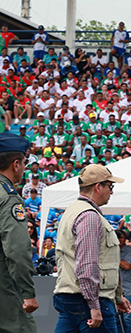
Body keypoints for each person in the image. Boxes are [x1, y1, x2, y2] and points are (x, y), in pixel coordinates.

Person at [53, 164, 131, 333]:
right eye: (110, 186)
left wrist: (117, 296)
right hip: (90, 300)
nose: (111, 191)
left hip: (72, 295)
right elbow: (87, 264)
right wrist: (94, 305)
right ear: (98, 187)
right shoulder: (89, 216)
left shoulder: (72, 211)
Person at [0, 133, 39, 333]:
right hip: (5, 290)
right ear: (16, 164)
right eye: (24, 162)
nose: (24, 168)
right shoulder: (9, 198)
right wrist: (28, 293)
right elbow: (17, 250)